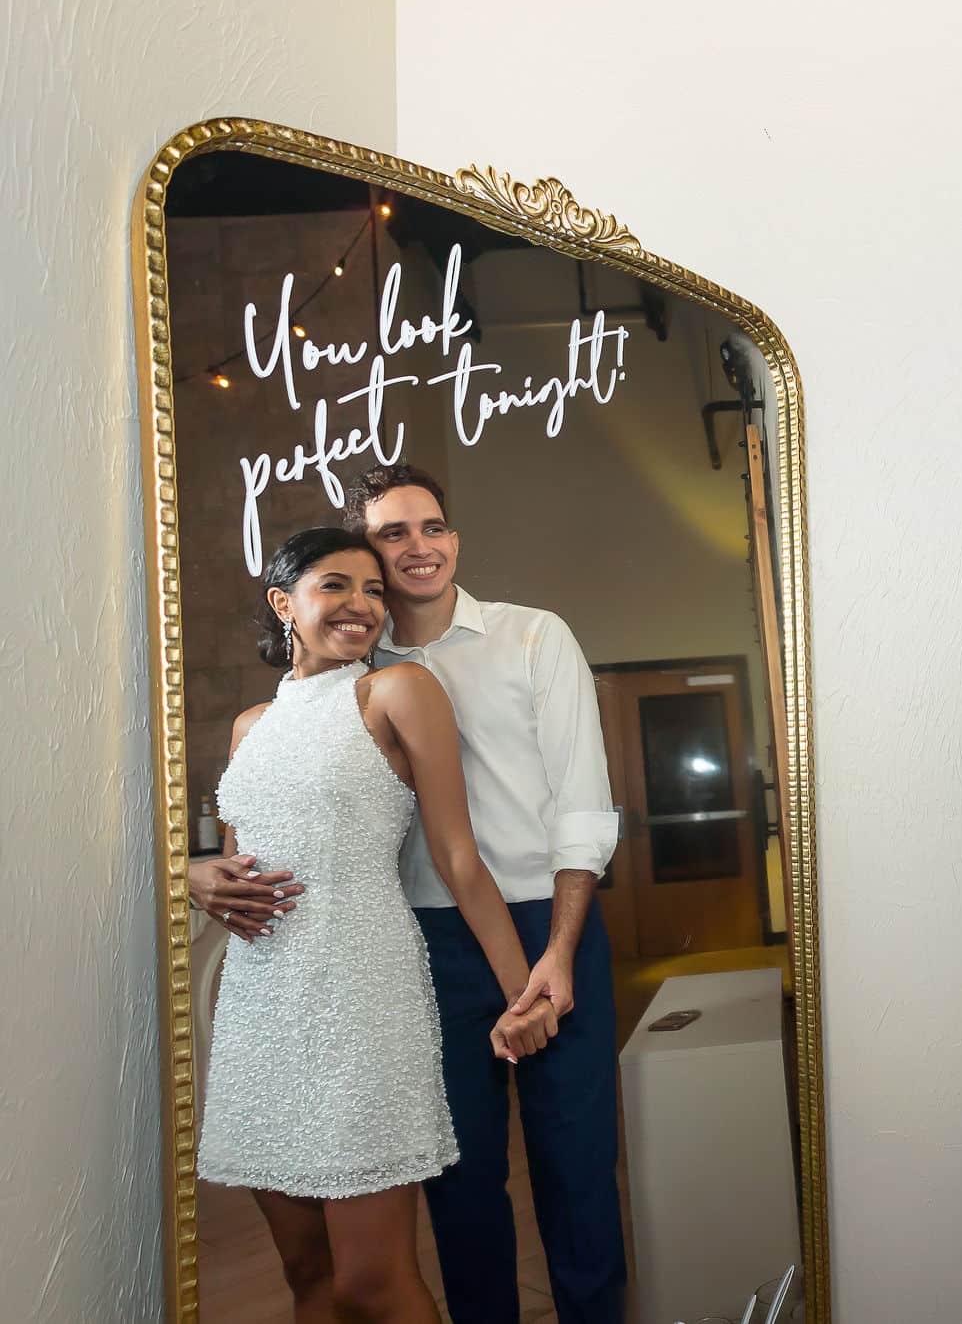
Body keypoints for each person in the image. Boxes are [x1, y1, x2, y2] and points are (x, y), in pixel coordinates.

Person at [196, 526, 557, 1322]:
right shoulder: (250, 727)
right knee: (306, 1273)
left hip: (361, 1003)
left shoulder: (397, 693)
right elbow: (234, 867)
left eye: (372, 590)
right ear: (283, 602)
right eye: (337, 586)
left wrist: (520, 992)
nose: (362, 605)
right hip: (261, 1012)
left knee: (372, 1281)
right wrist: (191, 876)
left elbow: (460, 858)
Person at [351, 463, 626, 1324]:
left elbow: (583, 806)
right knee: (461, 1180)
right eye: (393, 533)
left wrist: (560, 949)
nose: (418, 546)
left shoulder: (534, 637)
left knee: (576, 1167)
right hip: (424, 945)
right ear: (370, 552)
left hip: (552, 923)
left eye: (430, 527)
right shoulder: (351, 673)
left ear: (455, 539)